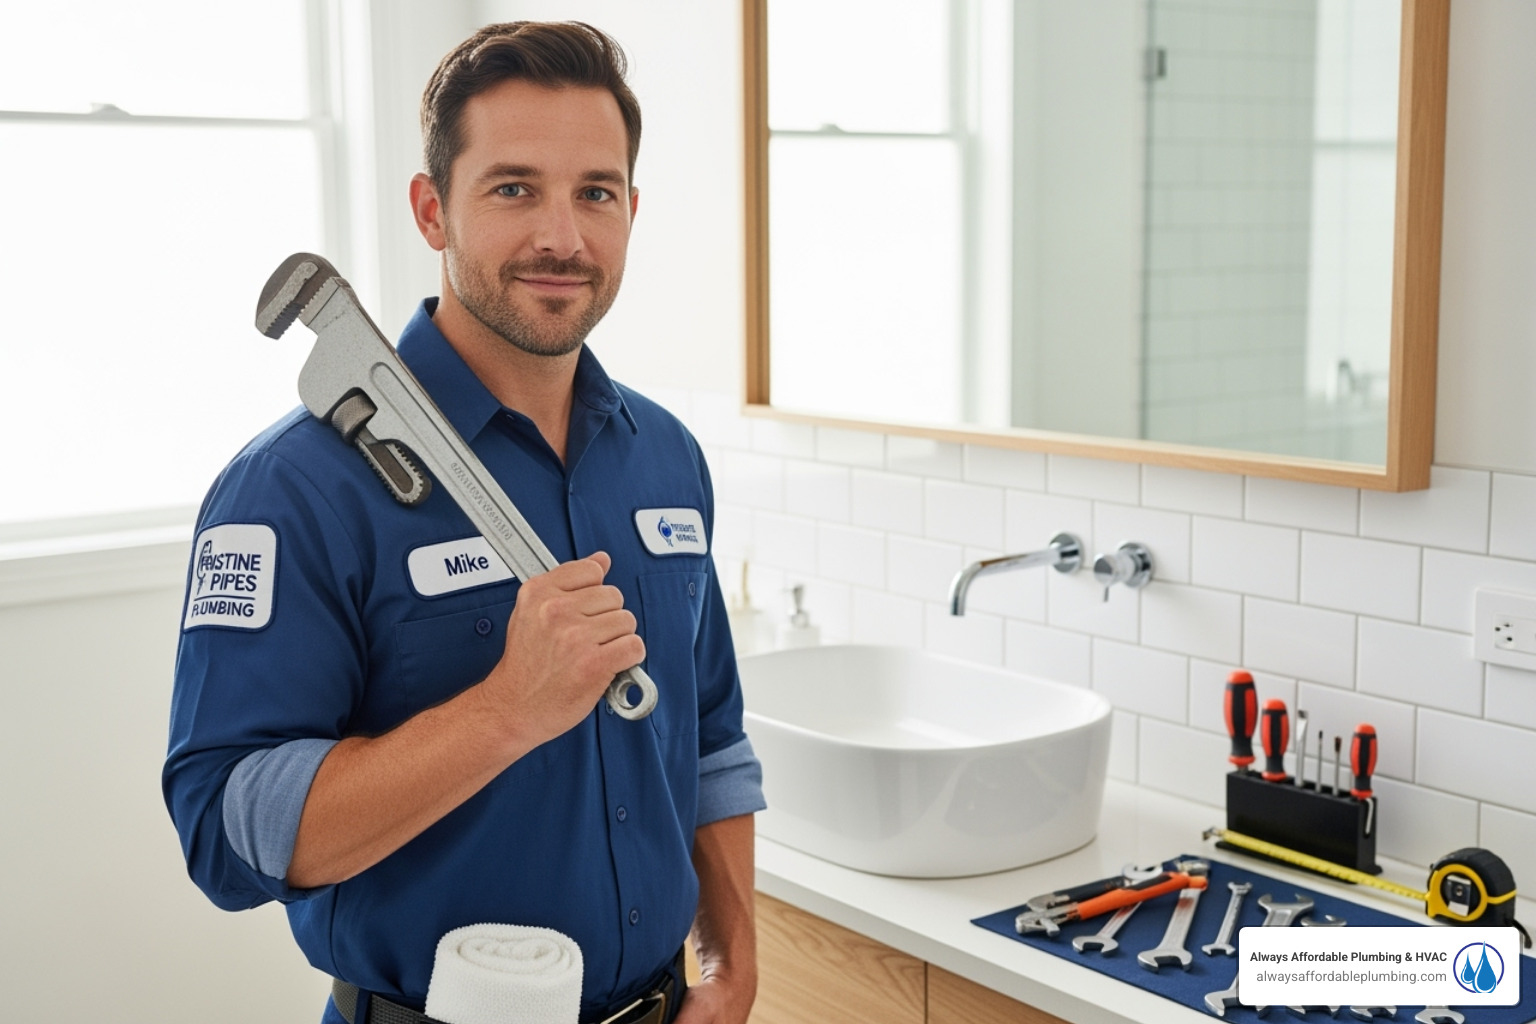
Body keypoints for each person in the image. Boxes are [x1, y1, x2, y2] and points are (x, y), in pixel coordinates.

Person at [163, 21, 763, 1024]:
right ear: (431, 209)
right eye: (514, 188)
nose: (562, 238)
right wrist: (506, 709)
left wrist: (735, 961)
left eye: (596, 193)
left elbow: (707, 739)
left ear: (631, 210)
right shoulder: (295, 488)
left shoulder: (666, 460)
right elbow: (225, 836)